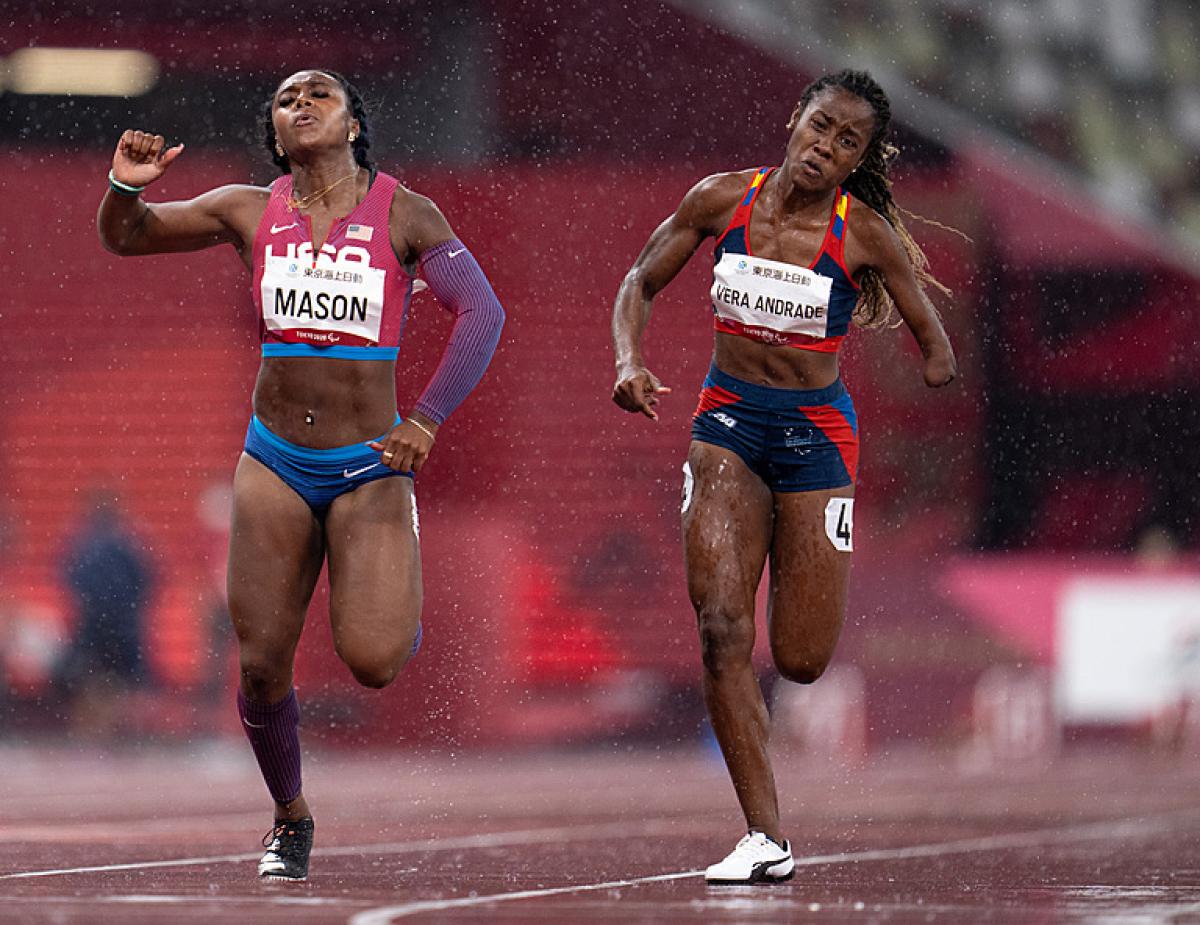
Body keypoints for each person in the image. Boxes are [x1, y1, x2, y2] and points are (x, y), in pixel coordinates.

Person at [97, 69, 505, 881]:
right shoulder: (248, 208)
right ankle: (290, 816)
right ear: (276, 136)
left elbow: (483, 312)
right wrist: (123, 187)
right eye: (286, 100)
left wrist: (426, 418)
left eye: (320, 93)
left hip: (370, 464)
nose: (303, 103)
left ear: (355, 123)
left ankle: (395, 592)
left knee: (375, 660)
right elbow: (127, 235)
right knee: (256, 663)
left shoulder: (407, 212)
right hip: (275, 459)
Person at [611, 69, 956, 884]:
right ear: (794, 119)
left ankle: (767, 825)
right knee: (723, 629)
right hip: (727, 423)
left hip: (817, 440)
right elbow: (638, 282)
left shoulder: (862, 232)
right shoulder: (720, 199)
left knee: (800, 658)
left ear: (858, 160)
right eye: (821, 126)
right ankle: (766, 835)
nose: (826, 148)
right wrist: (629, 360)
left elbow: (935, 345)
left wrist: (930, 360)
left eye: (848, 142)